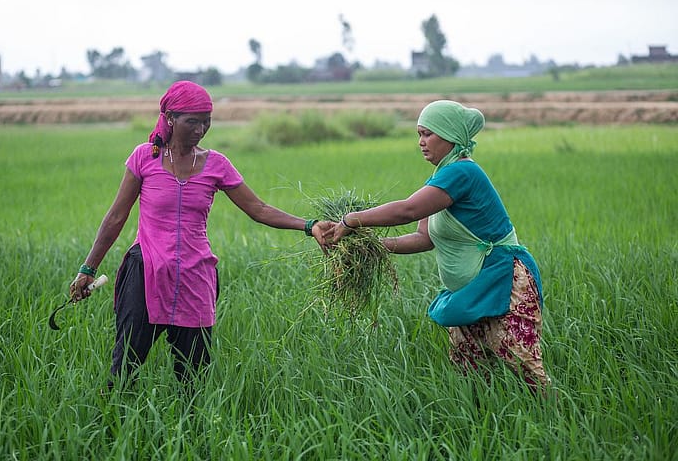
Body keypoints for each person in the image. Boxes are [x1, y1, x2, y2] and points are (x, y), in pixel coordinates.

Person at [69, 80, 329, 388]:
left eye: (206, 121)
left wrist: (309, 226)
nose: (201, 128)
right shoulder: (144, 157)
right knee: (125, 366)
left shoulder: (217, 164)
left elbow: (258, 209)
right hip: (147, 272)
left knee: (193, 375)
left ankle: (191, 432)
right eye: (192, 121)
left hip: (196, 276)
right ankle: (115, 427)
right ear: (170, 119)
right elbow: (116, 216)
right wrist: (88, 268)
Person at [324, 100, 550, 392]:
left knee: (523, 368)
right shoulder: (441, 178)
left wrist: (352, 220)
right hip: (470, 291)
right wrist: (372, 246)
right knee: (471, 373)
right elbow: (423, 238)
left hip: (504, 281)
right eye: (418, 134)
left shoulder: (462, 173)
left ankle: (553, 417)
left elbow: (407, 210)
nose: (421, 142)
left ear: (451, 135)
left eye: (428, 134)